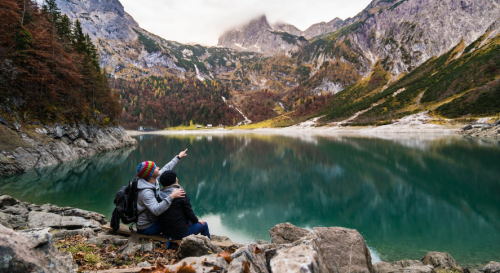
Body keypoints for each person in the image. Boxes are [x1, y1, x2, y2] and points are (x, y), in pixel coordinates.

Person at [136, 149, 188, 235]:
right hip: (147, 227)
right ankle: (176, 241)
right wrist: (172, 196)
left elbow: (166, 168)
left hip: (153, 219)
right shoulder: (146, 192)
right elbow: (156, 210)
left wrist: (178, 157)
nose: (158, 168)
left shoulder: (153, 179)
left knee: (176, 217)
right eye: (156, 168)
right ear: (151, 173)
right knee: (176, 222)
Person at [158, 170, 210, 242]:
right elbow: (189, 212)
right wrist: (197, 220)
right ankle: (209, 246)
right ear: (176, 179)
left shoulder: (159, 195)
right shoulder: (181, 194)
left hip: (166, 232)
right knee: (204, 225)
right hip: (180, 233)